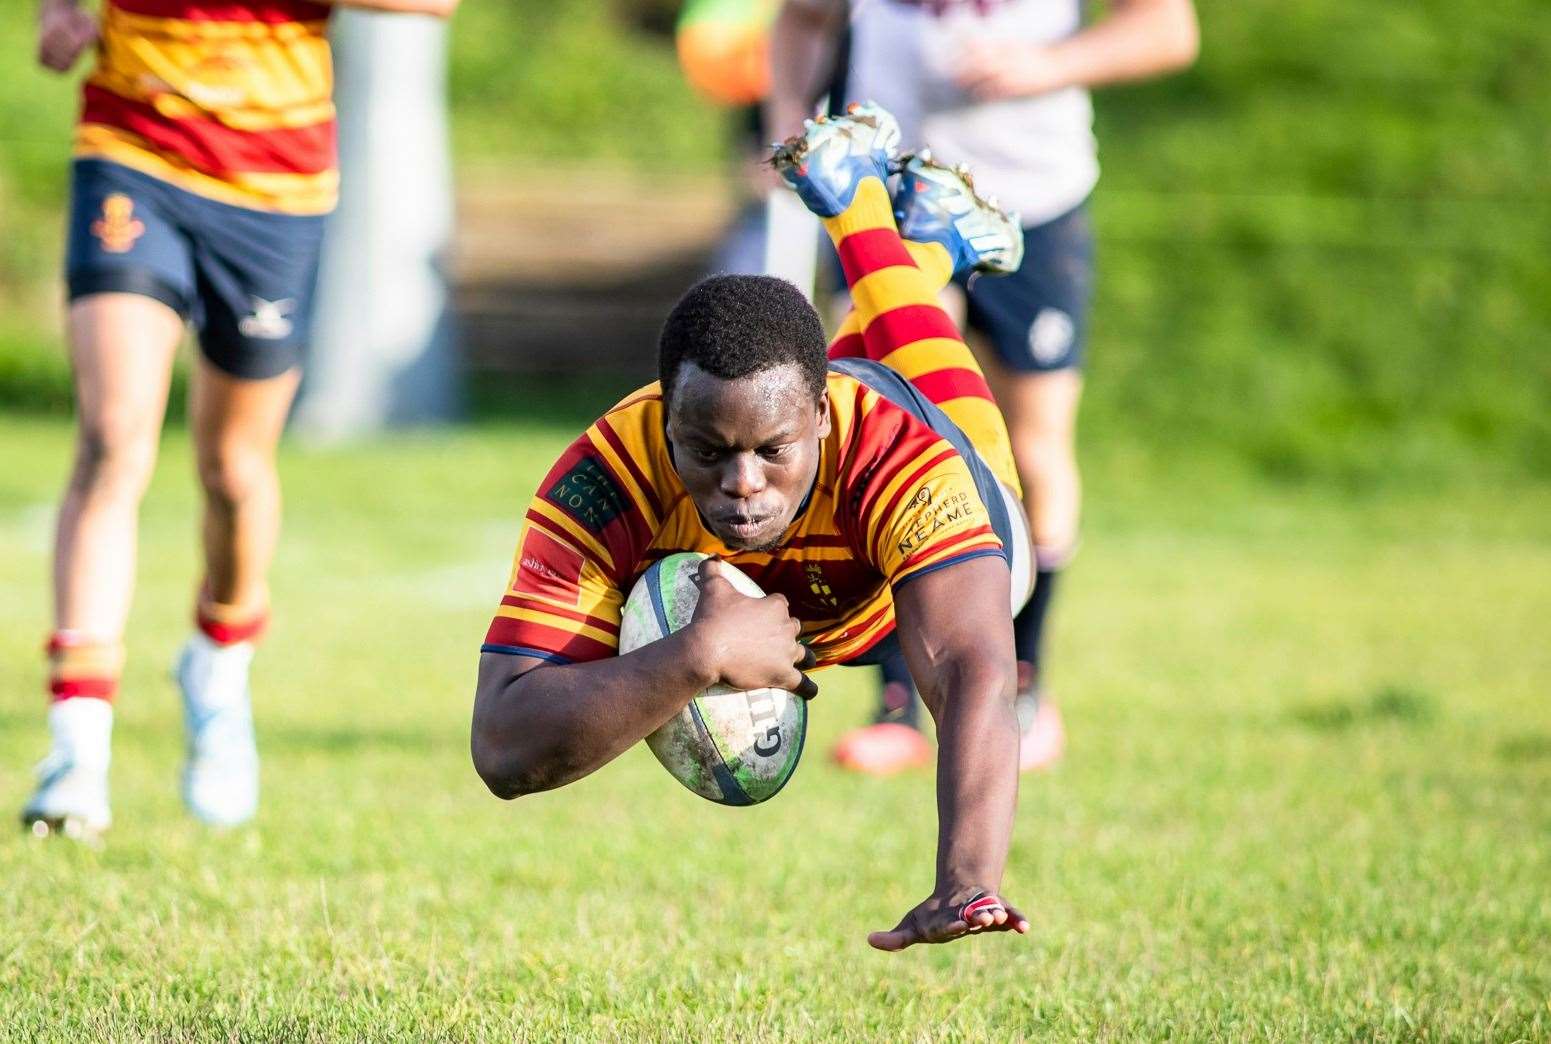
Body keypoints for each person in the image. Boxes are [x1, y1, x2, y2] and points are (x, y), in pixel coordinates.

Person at [473, 104, 1036, 951]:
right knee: (813, 355)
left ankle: (868, 217)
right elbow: (503, 747)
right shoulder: (607, 478)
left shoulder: (894, 451)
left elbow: (971, 667)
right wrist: (694, 655)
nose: (742, 486)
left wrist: (968, 879)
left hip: (943, 453)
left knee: (960, 457)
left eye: (772, 451)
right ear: (664, 422)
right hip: (810, 406)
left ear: (819, 418)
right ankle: (923, 238)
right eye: (705, 450)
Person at [24, 0, 460, 840]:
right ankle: (77, 749)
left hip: (274, 187)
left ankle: (217, 666)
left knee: (232, 470)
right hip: (131, 148)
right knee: (114, 438)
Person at [766, 0, 1199, 774]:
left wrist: (1047, 67)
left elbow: (1167, 29)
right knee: (873, 431)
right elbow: (801, 18)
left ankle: (1022, 680)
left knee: (1032, 447)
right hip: (879, 203)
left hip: (1032, 202)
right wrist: (787, 117)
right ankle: (896, 700)